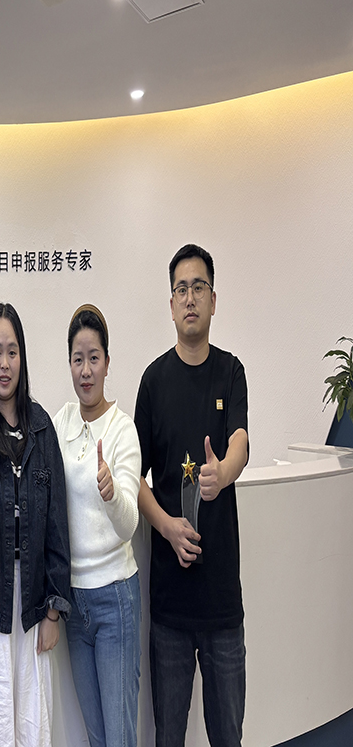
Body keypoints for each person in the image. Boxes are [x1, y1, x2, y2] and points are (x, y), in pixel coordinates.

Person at [135, 244, 249, 747]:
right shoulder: (154, 381)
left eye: (198, 287)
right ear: (171, 302)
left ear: (213, 299)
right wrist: (166, 526)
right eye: (180, 289)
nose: (189, 298)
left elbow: (241, 440)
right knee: (169, 738)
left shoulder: (231, 371)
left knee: (228, 736)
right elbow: (133, 477)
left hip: (222, 602)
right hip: (170, 608)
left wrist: (222, 473)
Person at [0, 302, 71, 747]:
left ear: (22, 358)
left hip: (33, 605)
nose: (4, 364)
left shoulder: (42, 428)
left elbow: (57, 523)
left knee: (31, 723)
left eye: (12, 352)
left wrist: (54, 610)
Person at [53, 304, 142, 747]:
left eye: (93, 358)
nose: (85, 370)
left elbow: (129, 525)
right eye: (77, 359)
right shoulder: (61, 422)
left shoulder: (123, 430)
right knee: (95, 736)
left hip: (114, 599)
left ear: (107, 362)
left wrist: (111, 493)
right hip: (74, 602)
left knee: (120, 737)